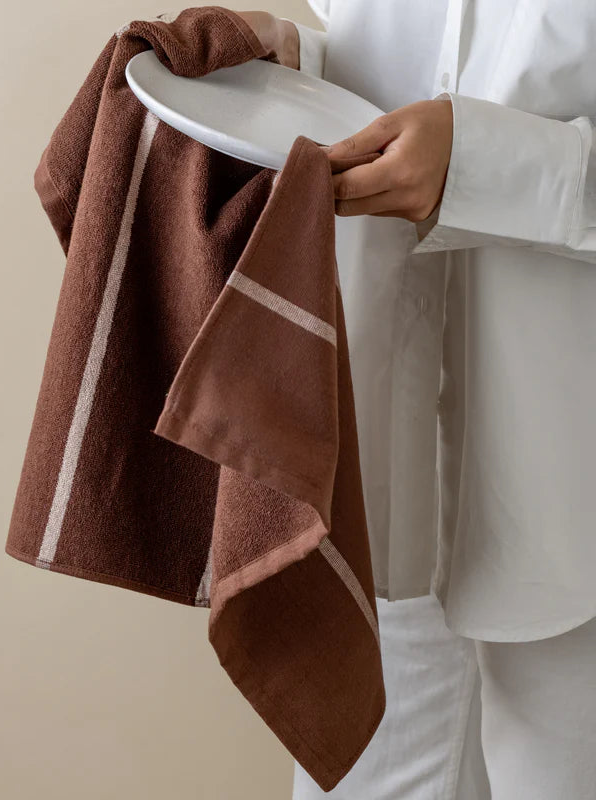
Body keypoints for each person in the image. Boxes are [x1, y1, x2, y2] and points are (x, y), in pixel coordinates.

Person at [233, 3, 596, 798]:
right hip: (376, 475)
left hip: (571, 496)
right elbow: (409, 64)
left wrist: (484, 163)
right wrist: (292, 66)